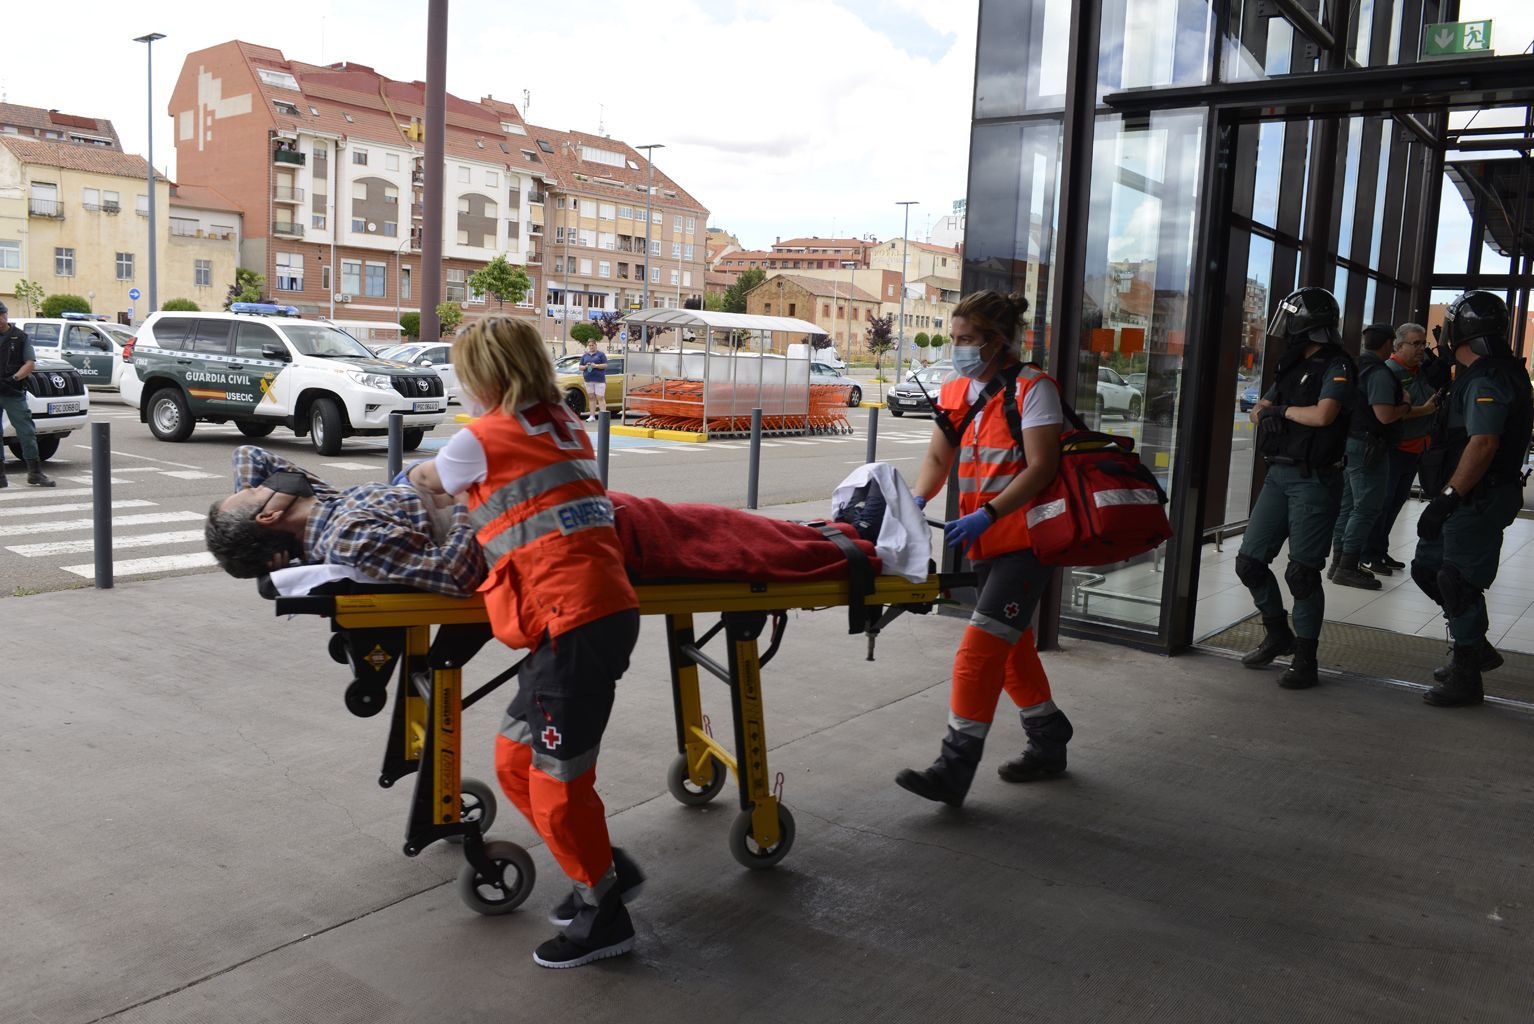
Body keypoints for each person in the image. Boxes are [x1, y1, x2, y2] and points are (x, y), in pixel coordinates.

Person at [407, 316, 643, 968]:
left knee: (558, 785)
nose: (460, 383)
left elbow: (425, 484)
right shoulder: (563, 422)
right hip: (584, 618)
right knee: (516, 764)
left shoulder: (480, 439)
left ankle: (606, 915)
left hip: (576, 624)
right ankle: (607, 869)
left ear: (485, 374)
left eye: (464, 370)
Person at [893, 289, 1072, 809]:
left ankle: (953, 768)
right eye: (954, 339)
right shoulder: (955, 392)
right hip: (984, 542)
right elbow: (937, 455)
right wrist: (916, 498)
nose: (958, 349)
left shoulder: (1033, 389)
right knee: (1009, 647)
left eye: (967, 340)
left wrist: (988, 512)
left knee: (978, 650)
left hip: (1026, 541)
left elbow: (1042, 468)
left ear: (998, 342)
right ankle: (1049, 735)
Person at [1410, 290, 1533, 707]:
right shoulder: (1479, 373)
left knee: (1456, 580)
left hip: (1476, 496)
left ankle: (1467, 675)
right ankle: (1475, 646)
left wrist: (1447, 498)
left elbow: (1482, 443)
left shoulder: (1486, 378)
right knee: (1428, 568)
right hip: (1467, 494)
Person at [1237, 286, 1355, 690]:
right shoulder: (1289, 366)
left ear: (1308, 325)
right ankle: (1277, 633)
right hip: (1278, 475)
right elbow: (1257, 410)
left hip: (1315, 479)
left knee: (1302, 574)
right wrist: (1267, 413)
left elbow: (1324, 415)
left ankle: (1306, 658)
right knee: (1249, 562)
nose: (1285, 329)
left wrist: (1281, 412)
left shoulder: (1337, 365)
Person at [203, 445, 485, 595]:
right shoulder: (347, 536)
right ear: (269, 515)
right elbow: (456, 575)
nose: (264, 482)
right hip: (468, 509)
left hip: (424, 486)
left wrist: (254, 527)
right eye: (256, 489)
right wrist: (463, 501)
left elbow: (249, 454)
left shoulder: (321, 504)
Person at [1326, 323, 1411, 589]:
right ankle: (1348, 567)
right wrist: (1406, 404)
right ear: (1389, 344)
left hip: (1350, 442)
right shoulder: (1379, 373)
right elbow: (1384, 415)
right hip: (1369, 446)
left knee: (1348, 506)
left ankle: (1337, 563)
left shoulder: (1352, 367)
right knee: (1367, 507)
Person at [1358, 323, 1438, 575]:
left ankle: (1379, 551)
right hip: (1393, 449)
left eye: (1423, 343)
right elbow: (1388, 413)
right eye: (1415, 343)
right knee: (1381, 504)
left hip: (1414, 448)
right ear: (1398, 346)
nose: (1421, 348)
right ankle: (1367, 554)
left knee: (1394, 505)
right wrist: (1424, 410)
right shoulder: (1390, 371)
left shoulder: (1418, 371)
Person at [0, 300, 56, 488]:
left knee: (26, 431)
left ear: (6, 315)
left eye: (2, 315)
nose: (0, 319)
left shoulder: (20, 337)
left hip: (12, 391)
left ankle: (34, 472)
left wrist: (14, 379)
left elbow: (30, 363)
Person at [578, 336, 607, 422]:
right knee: (591, 397)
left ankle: (603, 417)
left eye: (592, 345)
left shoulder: (601, 354)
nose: (591, 347)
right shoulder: (585, 356)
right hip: (588, 380)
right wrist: (586, 366)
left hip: (599, 380)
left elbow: (605, 365)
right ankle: (592, 416)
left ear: (596, 345)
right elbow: (580, 367)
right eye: (590, 345)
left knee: (600, 397)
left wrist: (596, 366)